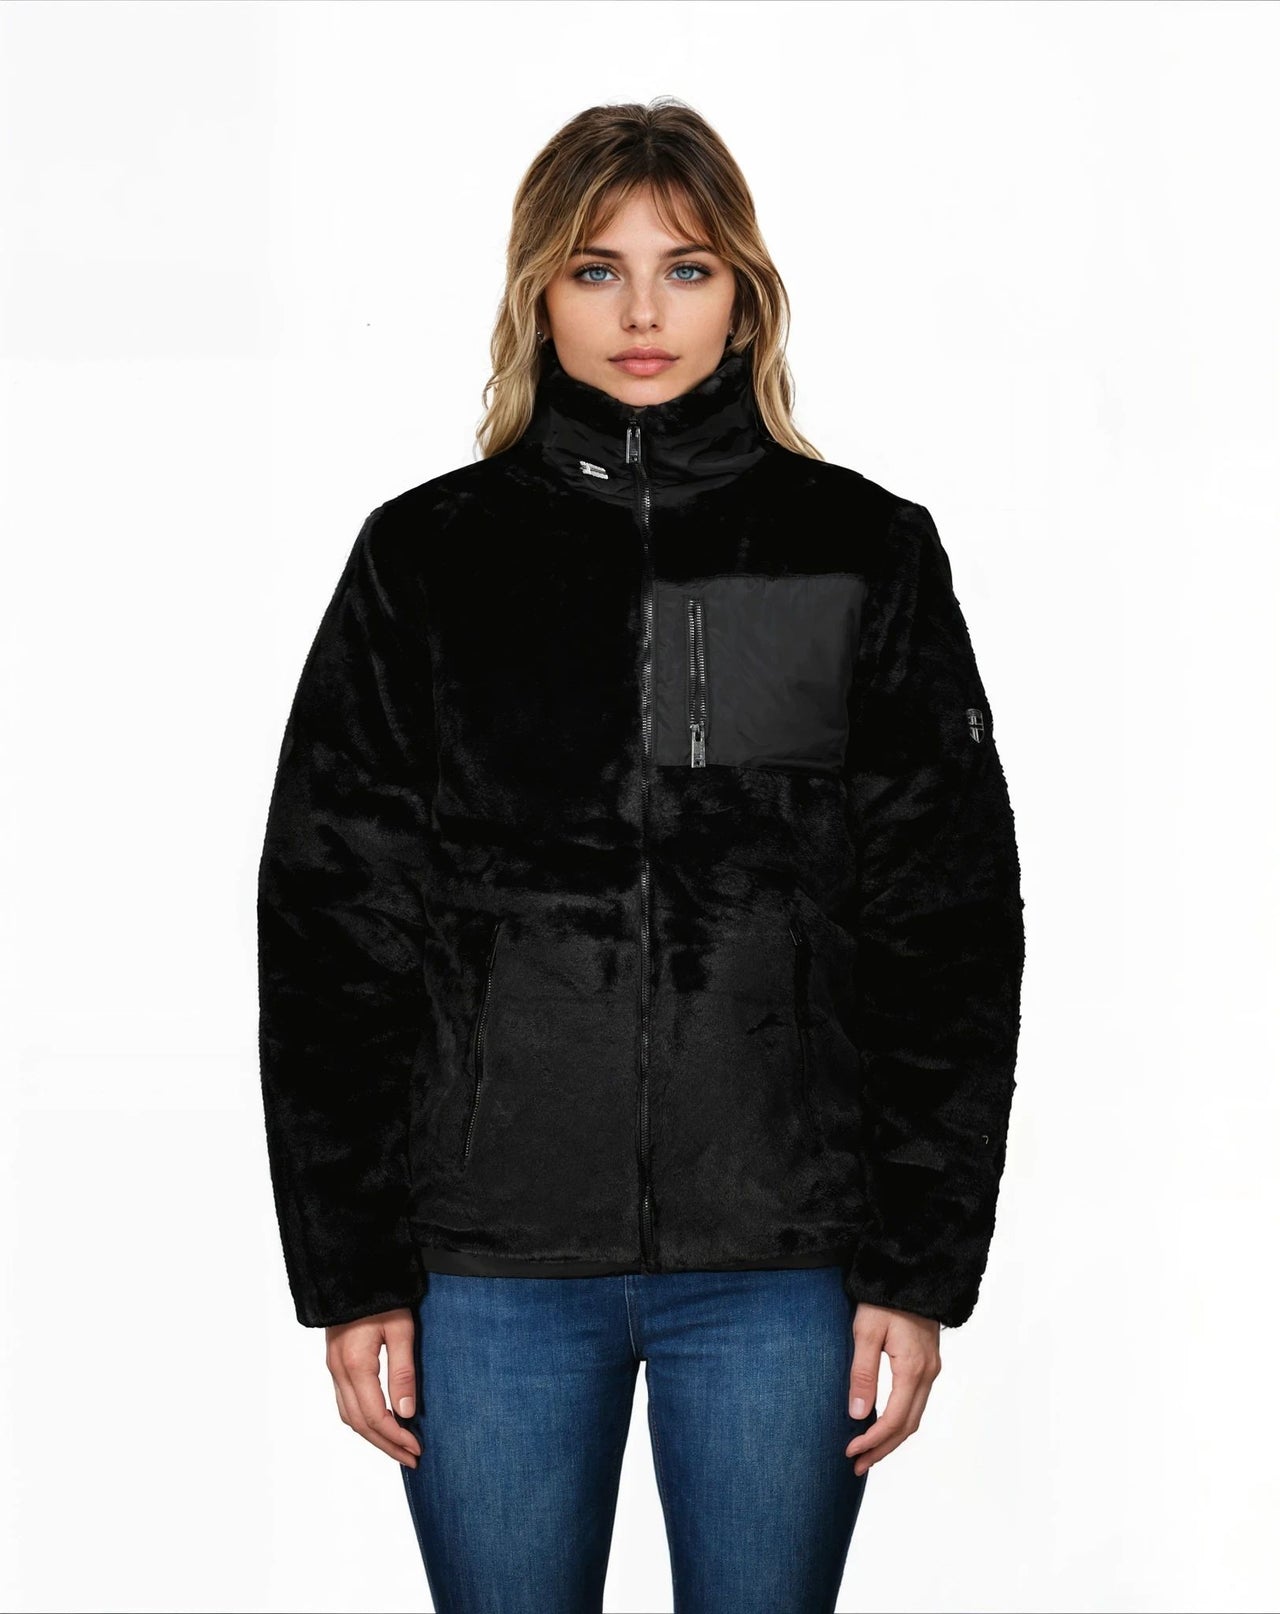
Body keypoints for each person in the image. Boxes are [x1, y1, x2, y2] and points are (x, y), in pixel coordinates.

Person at [256, 97, 1026, 1614]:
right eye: (596, 269)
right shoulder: (430, 561)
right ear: (539, 292)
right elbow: (334, 924)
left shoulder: (853, 550)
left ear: (744, 292)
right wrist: (351, 1269)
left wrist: (917, 1265)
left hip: (781, 1267)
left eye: (685, 268)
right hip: (487, 1270)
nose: (642, 313)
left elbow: (942, 925)